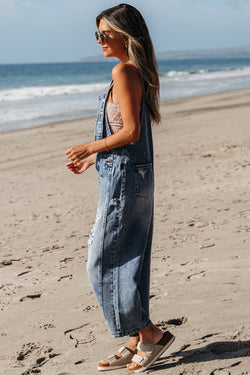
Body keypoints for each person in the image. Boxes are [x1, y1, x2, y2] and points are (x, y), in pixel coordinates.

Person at [65, 3, 175, 372]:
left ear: (125, 36)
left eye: (104, 34)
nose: (99, 40)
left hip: (126, 179)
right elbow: (125, 133)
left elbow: (131, 132)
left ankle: (150, 333)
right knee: (129, 261)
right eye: (96, 34)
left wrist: (89, 147)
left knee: (102, 262)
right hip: (130, 175)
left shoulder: (125, 71)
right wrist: (92, 157)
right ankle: (134, 339)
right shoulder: (130, 72)